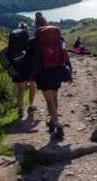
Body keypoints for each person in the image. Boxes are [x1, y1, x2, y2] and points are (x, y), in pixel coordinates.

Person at [32, 11, 73, 140]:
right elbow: (65, 55)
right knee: (54, 97)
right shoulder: (58, 39)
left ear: (36, 26)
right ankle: (52, 120)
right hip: (58, 71)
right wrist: (69, 72)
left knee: (49, 100)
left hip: (43, 74)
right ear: (46, 24)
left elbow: (31, 60)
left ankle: (58, 125)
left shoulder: (34, 41)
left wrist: (31, 76)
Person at [8, 22, 36, 119]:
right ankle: (31, 106)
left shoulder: (13, 35)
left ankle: (20, 110)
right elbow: (29, 50)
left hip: (15, 66)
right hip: (26, 66)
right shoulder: (25, 34)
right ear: (26, 29)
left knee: (20, 89)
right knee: (32, 85)